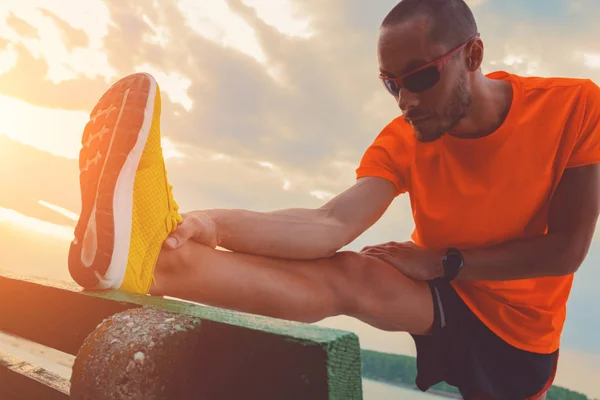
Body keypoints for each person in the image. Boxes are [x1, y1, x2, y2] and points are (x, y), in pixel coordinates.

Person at [67, 0, 600, 398]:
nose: (406, 101)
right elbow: (328, 223)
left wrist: (440, 262)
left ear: (474, 55)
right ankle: (153, 260)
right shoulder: (404, 139)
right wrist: (210, 223)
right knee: (351, 274)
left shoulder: (574, 108)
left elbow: (566, 250)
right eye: (391, 85)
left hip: (520, 343)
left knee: (367, 272)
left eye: (419, 77)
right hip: (444, 294)